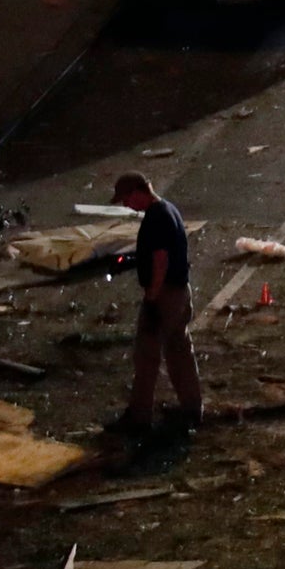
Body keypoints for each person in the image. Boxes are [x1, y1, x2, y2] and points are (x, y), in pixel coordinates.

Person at [109, 172, 203, 433]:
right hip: (181, 291)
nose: (127, 205)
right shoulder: (169, 209)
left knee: (147, 355)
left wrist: (151, 298)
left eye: (126, 199)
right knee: (180, 351)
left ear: (138, 191)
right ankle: (192, 409)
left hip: (165, 296)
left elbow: (160, 260)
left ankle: (139, 417)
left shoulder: (156, 217)